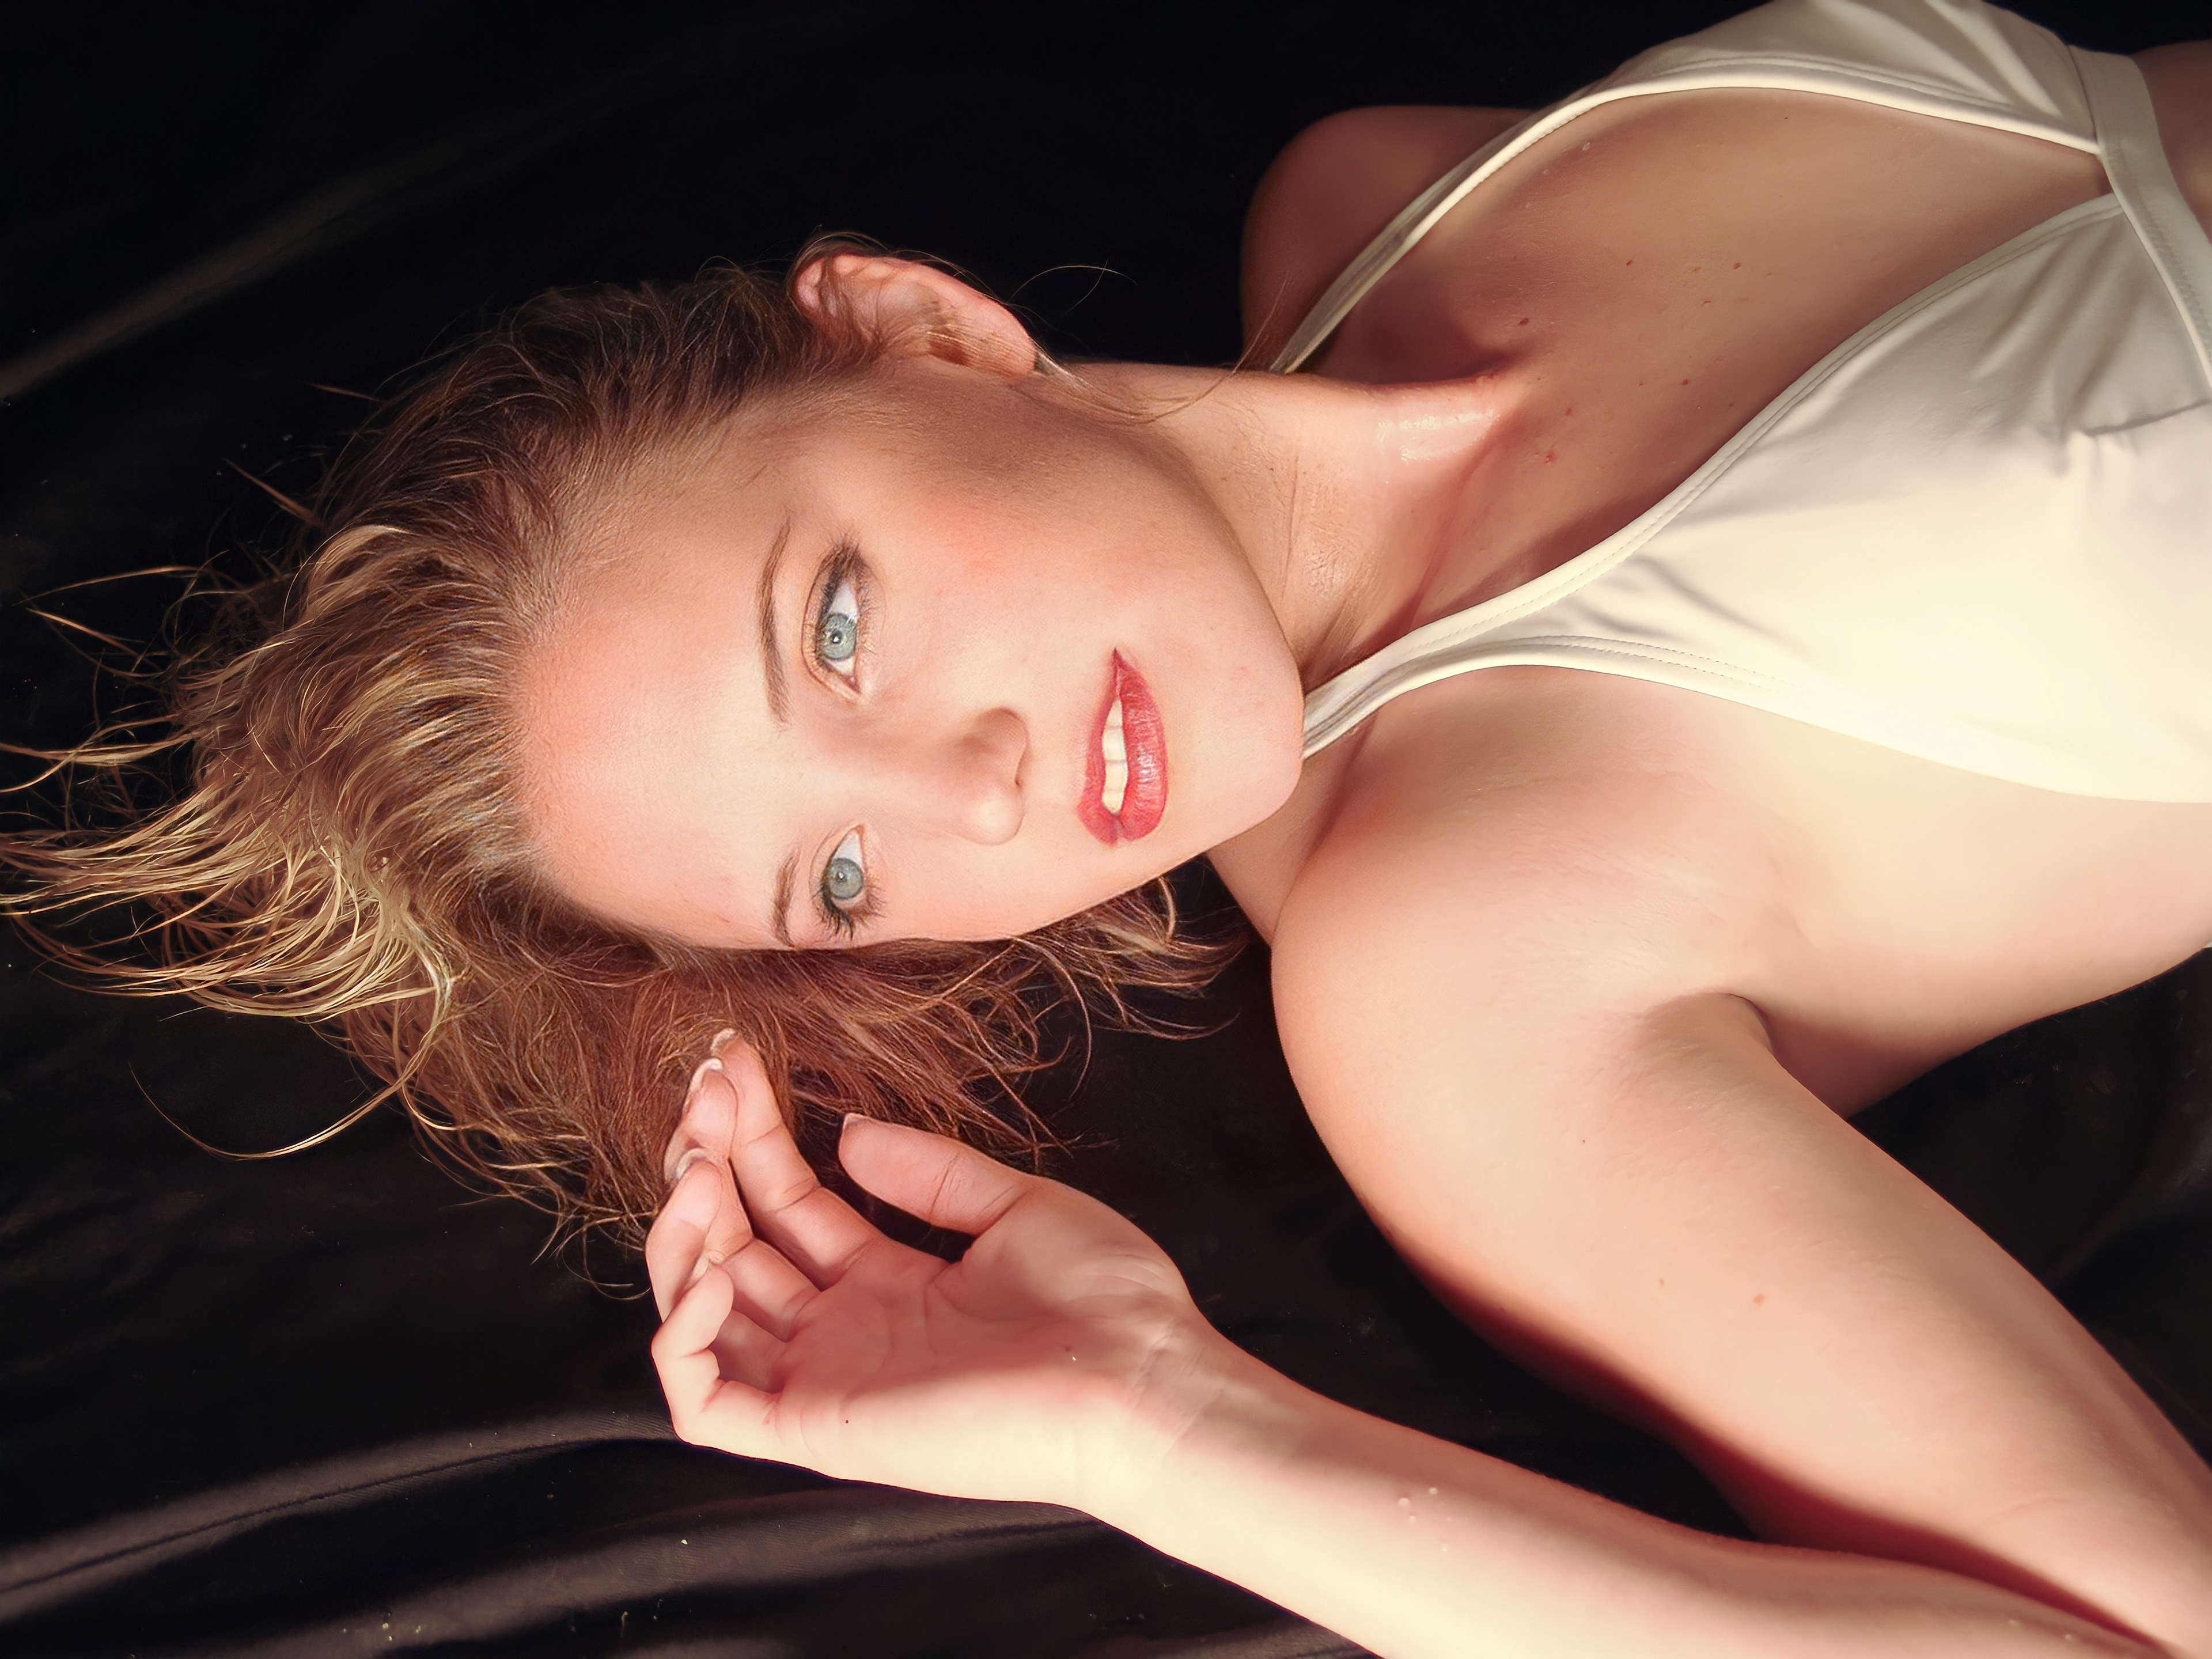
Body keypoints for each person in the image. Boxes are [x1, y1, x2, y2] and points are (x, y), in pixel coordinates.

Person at [6, 0, 2211, 1652]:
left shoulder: (1369, 200)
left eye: (839, 628)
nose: (973, 791)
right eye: (842, 882)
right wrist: (1160, 1428)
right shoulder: (1458, 982)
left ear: (922, 331)